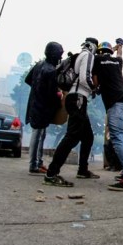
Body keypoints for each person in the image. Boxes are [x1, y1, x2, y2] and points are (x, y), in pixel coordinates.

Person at [44, 38, 99, 187]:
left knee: (87, 136)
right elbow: (84, 78)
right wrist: (94, 88)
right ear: (94, 46)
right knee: (72, 137)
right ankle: (51, 173)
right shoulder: (88, 55)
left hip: (75, 98)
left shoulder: (79, 55)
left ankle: (82, 170)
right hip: (78, 98)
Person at [92, 39, 123, 191]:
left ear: (99, 51)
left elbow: (94, 83)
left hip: (116, 104)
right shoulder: (117, 62)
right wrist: (120, 46)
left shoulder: (97, 60)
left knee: (117, 138)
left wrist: (96, 88)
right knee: (122, 138)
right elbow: (119, 55)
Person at [25, 42, 64, 175]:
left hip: (35, 103)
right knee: (38, 134)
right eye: (59, 54)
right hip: (42, 107)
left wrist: (38, 89)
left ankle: (38, 162)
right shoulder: (51, 70)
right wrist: (59, 96)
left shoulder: (39, 64)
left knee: (40, 133)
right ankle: (34, 164)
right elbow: (52, 93)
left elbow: (28, 79)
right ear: (54, 54)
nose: (60, 57)